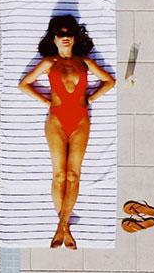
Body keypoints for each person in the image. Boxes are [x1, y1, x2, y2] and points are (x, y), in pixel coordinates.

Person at [18, 14, 116, 249]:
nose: (64, 38)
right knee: (59, 175)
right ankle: (65, 228)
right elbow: (24, 84)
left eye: (68, 34)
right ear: (53, 39)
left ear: (74, 38)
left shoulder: (85, 62)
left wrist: (90, 98)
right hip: (57, 121)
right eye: (60, 34)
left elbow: (109, 81)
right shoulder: (49, 62)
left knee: (74, 175)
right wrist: (47, 102)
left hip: (81, 120)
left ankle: (62, 228)